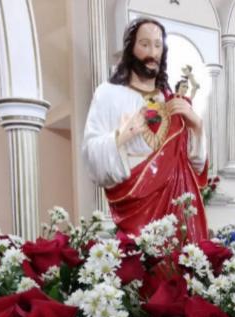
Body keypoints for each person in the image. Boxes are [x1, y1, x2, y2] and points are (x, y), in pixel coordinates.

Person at [82, 17, 209, 242]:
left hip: (179, 212)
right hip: (134, 209)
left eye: (158, 45)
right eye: (145, 44)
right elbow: (91, 154)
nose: (153, 52)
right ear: (131, 48)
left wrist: (197, 126)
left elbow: (196, 165)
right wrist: (122, 136)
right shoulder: (109, 94)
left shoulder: (173, 101)